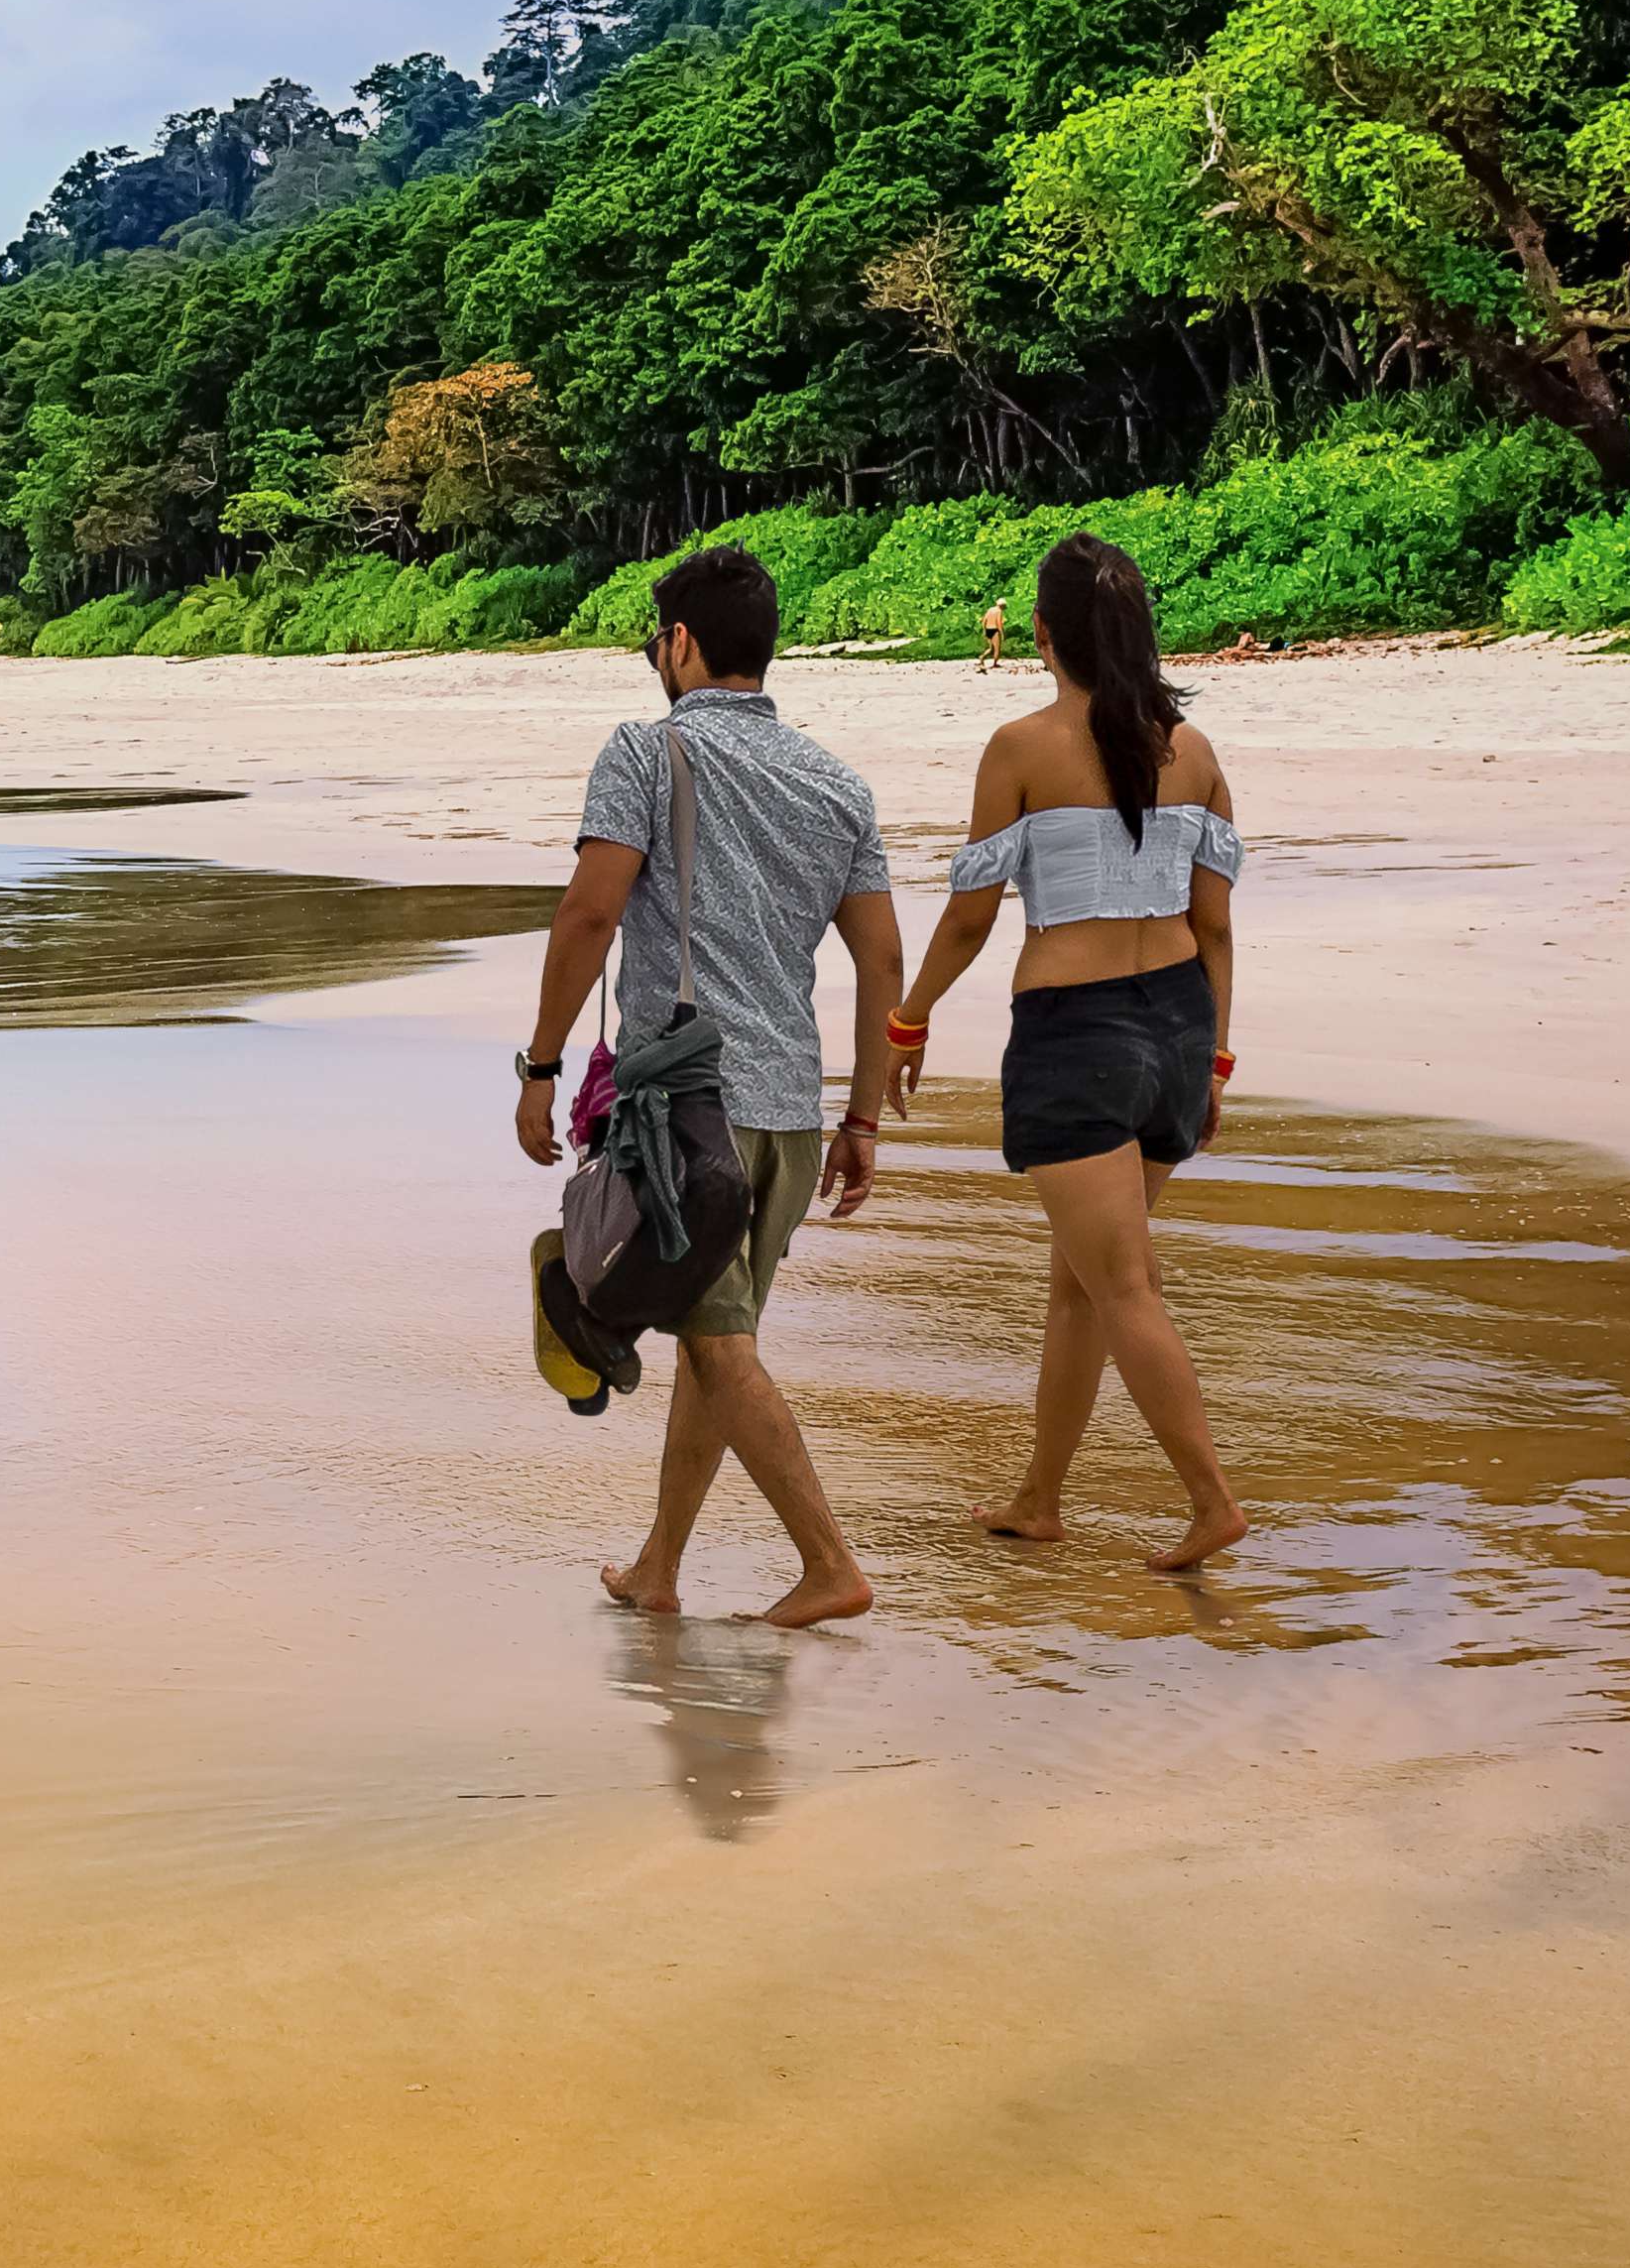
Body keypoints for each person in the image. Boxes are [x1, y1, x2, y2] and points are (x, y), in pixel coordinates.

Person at [516, 544, 906, 1626]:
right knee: (710, 1345)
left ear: (681, 644)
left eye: (658, 638)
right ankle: (659, 1567)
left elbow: (590, 914)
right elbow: (882, 963)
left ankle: (831, 1566)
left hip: (689, 1114)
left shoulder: (642, 755)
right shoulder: (839, 786)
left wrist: (542, 1066)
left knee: (719, 1345)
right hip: (786, 1110)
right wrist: (863, 1113)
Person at [896, 532, 1248, 1569]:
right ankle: (1038, 1499)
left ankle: (1211, 1501)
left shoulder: (1022, 747)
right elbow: (1217, 925)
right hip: (1180, 1020)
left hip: (1077, 1035)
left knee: (1122, 1281)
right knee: (1084, 1282)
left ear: (1042, 633)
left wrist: (907, 1018)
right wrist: (1217, 1059)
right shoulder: (1195, 751)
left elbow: (969, 919)